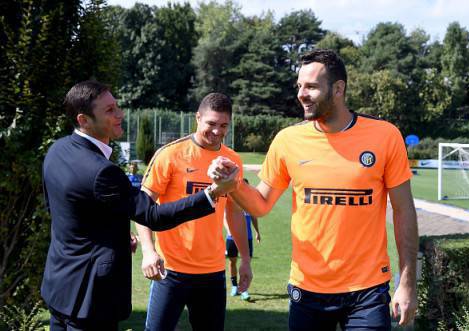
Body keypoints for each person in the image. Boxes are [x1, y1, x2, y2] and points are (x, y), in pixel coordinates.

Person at [209, 49, 419, 330]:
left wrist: (407, 284)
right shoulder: (288, 140)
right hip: (307, 290)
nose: (301, 94)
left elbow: (404, 211)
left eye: (311, 86)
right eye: (299, 86)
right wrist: (231, 184)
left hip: (367, 291)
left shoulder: (385, 136)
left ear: (338, 89)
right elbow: (260, 204)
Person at [41, 80, 238, 331]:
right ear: (84, 120)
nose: (120, 114)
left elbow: (67, 213)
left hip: (59, 289)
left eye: (117, 106)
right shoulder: (103, 171)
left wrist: (115, 237)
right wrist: (212, 193)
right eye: (109, 110)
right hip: (90, 299)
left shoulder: (57, 150)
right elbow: (153, 215)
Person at [136, 93, 252, 331]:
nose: (217, 131)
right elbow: (142, 207)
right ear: (198, 118)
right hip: (170, 270)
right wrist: (148, 251)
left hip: (212, 272)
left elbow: (234, 212)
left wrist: (245, 261)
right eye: (211, 123)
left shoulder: (232, 161)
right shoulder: (170, 154)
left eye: (223, 125)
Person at [225, 179, 260, 301]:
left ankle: (244, 289)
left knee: (246, 263)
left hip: (247, 238)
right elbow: (224, 217)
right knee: (232, 262)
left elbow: (254, 217)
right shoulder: (230, 200)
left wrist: (257, 232)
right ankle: (234, 286)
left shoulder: (249, 203)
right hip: (231, 237)